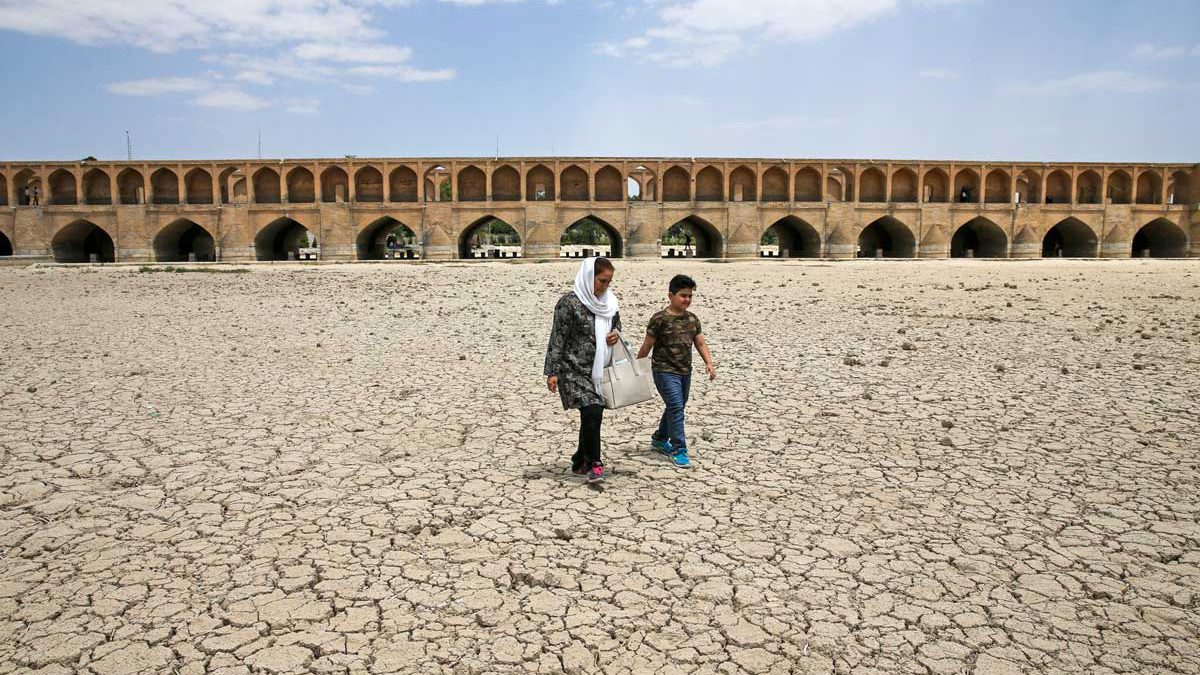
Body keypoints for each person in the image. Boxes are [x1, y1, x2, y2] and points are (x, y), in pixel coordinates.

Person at [544, 257, 622, 483]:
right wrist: (553, 371)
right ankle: (595, 463)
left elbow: (615, 324)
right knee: (593, 411)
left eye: (608, 282)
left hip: (598, 368)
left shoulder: (609, 303)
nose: (604, 286)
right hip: (572, 369)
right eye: (601, 281)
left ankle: (580, 459)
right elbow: (557, 338)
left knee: (592, 413)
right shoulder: (569, 303)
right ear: (589, 277)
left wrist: (615, 332)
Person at [636, 274, 715, 468]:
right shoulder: (659, 319)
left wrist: (709, 363)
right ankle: (679, 448)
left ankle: (660, 437)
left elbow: (700, 342)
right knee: (676, 406)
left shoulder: (692, 319)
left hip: (685, 371)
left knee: (676, 406)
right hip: (663, 371)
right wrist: (637, 367)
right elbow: (647, 345)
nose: (687, 299)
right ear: (670, 296)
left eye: (689, 296)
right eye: (683, 295)